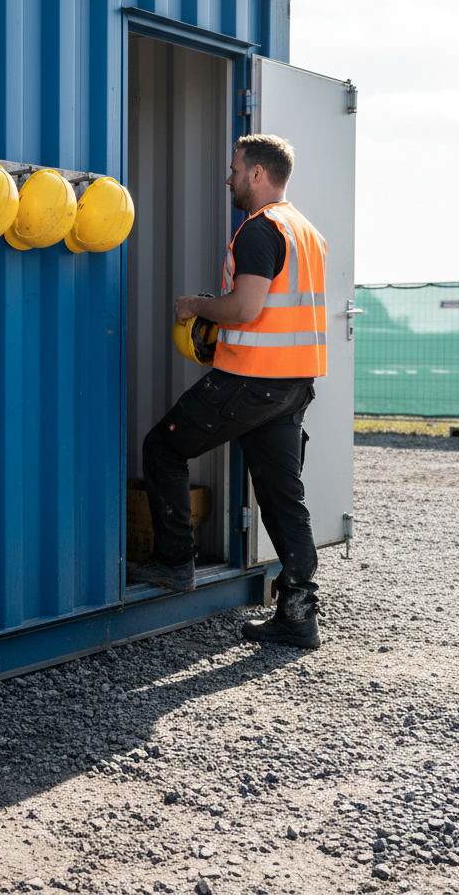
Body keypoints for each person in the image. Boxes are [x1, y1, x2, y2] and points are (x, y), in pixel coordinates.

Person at [126, 134, 327, 650]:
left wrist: (196, 304)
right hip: (293, 384)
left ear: (258, 173)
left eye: (235, 169)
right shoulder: (305, 230)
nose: (229, 178)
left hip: (250, 379)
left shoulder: (259, 230)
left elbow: (244, 309)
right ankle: (299, 615)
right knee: (285, 499)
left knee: (163, 447)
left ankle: (176, 563)